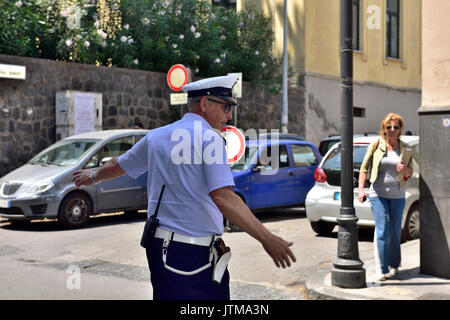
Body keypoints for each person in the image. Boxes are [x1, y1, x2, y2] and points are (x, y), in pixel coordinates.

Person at [72, 74, 296, 299]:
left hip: (161, 249)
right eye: (226, 106)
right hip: (192, 254)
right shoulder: (210, 139)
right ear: (205, 104)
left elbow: (116, 165)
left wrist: (91, 177)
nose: (229, 115)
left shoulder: (156, 137)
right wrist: (268, 239)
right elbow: (224, 198)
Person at [357, 113, 413, 281]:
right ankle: (381, 269)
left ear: (400, 129)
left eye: (395, 127)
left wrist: (404, 170)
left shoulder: (405, 148)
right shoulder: (376, 146)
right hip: (377, 194)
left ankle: (395, 265)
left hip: (398, 194)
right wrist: (361, 189)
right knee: (382, 230)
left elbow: (410, 173)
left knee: (396, 231)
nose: (392, 130)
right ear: (384, 129)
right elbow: (364, 168)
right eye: (388, 127)